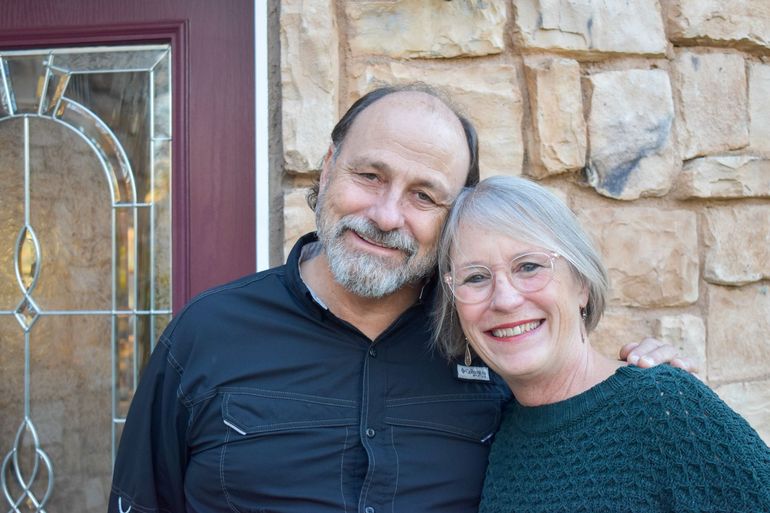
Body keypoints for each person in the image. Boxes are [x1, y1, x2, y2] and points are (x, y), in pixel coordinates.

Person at [108, 85, 692, 513]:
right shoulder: (209, 332)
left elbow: (579, 422)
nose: (387, 215)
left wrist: (648, 388)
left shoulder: (490, 339)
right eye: (369, 175)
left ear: (454, 214)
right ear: (329, 165)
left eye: (423, 195)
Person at [434, 175, 770, 513]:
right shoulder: (501, 431)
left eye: (529, 266)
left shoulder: (664, 408)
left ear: (581, 284)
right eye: (476, 277)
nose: (504, 299)